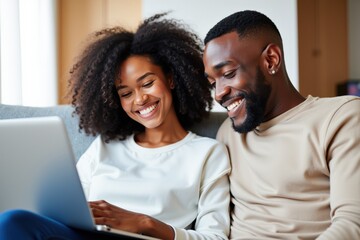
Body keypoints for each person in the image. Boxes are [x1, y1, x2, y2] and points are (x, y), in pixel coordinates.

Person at [0, 13, 230, 240]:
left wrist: (144, 223)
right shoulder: (105, 146)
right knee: (13, 220)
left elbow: (215, 237)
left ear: (171, 79)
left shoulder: (207, 153)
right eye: (126, 93)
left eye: (147, 83)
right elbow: (68, 210)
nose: (139, 100)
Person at [202, 10, 360, 240]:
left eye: (228, 73)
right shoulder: (228, 133)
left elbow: (352, 224)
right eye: (212, 82)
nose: (218, 94)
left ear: (271, 60)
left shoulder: (340, 118)